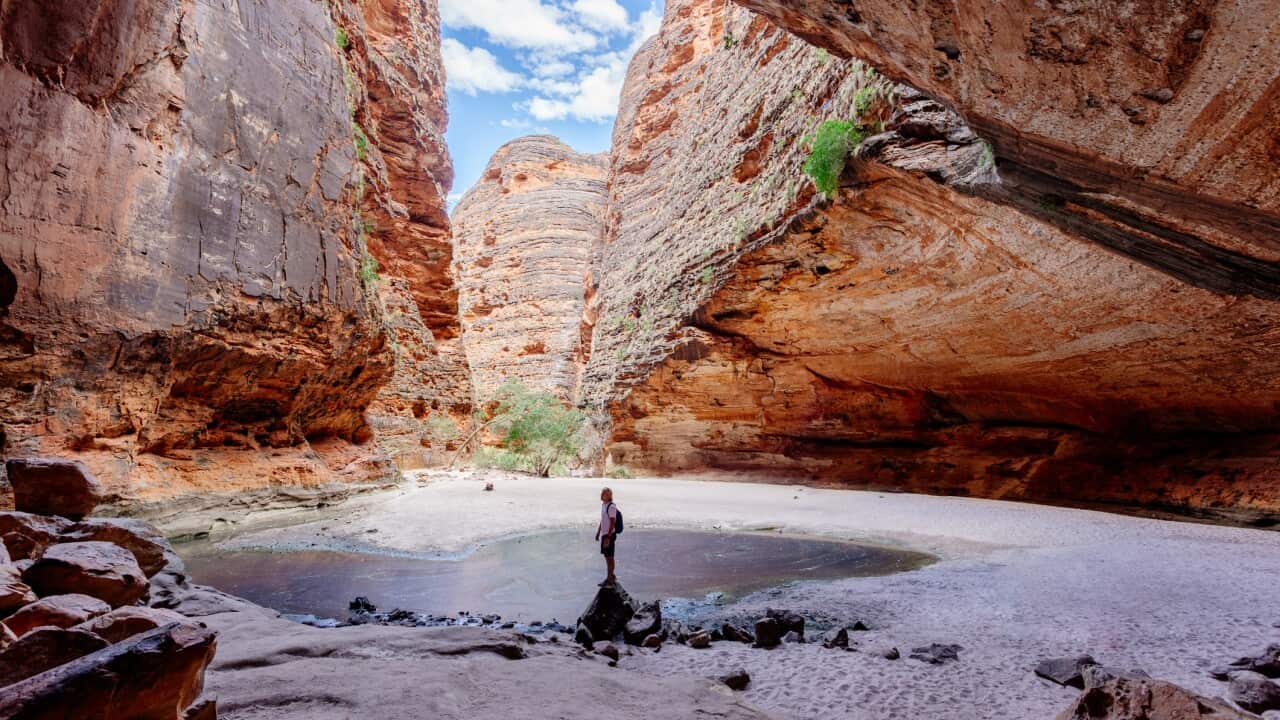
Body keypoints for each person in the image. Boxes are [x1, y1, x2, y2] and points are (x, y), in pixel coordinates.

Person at [595, 487, 618, 587]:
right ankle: (610, 576)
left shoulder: (611, 506)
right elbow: (603, 520)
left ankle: (610, 578)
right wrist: (598, 532)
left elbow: (613, 522)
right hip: (604, 534)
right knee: (606, 557)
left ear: (609, 496)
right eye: (602, 493)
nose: (603, 495)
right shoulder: (604, 505)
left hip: (609, 535)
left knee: (610, 557)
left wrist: (608, 536)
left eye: (605, 493)